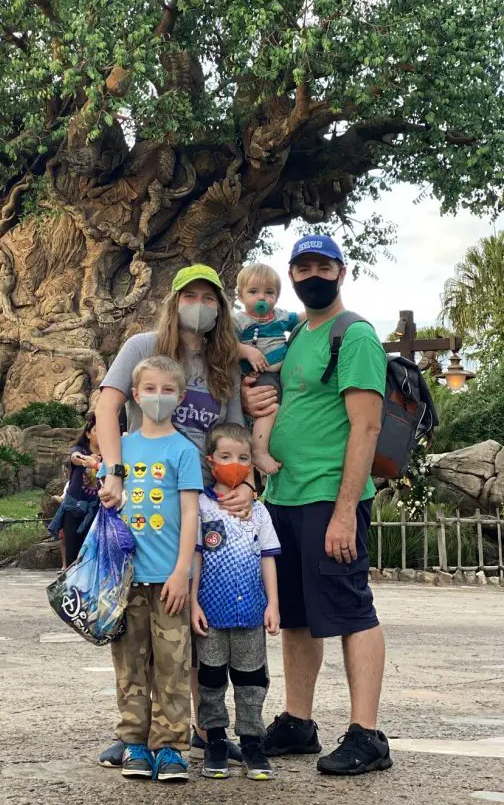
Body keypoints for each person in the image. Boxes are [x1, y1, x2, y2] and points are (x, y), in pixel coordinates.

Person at [96, 263, 253, 769]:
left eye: (211, 297)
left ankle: (193, 730)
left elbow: (234, 436)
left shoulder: (224, 362)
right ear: (174, 300)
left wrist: (245, 483)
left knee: (186, 626)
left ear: (221, 307)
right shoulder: (143, 347)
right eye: (192, 296)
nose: (200, 305)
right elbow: (107, 406)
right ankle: (135, 733)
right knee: (135, 632)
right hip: (139, 496)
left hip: (198, 501)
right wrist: (113, 472)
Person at [247, 234, 392, 777]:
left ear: (341, 272)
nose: (312, 275)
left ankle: (367, 733)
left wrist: (344, 511)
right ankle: (297, 720)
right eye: (302, 266)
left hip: (329, 495)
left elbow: (367, 425)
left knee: (352, 608)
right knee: (300, 618)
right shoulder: (296, 334)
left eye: (322, 266)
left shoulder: (351, 335)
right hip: (285, 495)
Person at [98, 355, 202, 782]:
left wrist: (182, 571)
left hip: (168, 580)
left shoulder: (184, 450)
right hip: (125, 580)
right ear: (135, 395)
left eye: (168, 390)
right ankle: (134, 741)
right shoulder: (121, 448)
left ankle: (172, 745)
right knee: (129, 664)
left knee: (173, 665)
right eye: (150, 389)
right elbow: (108, 496)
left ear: (180, 397)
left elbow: (191, 514)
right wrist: (108, 491)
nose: (158, 397)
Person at [190, 424, 280, 780]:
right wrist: (194, 602)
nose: (235, 464)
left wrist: (273, 603)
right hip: (211, 613)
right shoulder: (201, 506)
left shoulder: (258, 511)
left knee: (252, 680)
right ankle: (214, 739)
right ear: (211, 461)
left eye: (243, 457)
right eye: (226, 457)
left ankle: (252, 742)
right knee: (210, 679)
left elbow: (268, 557)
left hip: (251, 614)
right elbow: (195, 557)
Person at [233, 262, 304, 473]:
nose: (262, 298)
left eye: (269, 293)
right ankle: (259, 451)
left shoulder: (280, 317)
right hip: (258, 374)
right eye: (253, 292)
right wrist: (247, 352)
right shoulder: (239, 321)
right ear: (240, 297)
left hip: (280, 373)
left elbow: (300, 318)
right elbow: (227, 345)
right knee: (269, 409)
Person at [60, 413, 101, 566]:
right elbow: (74, 457)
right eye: (97, 430)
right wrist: (88, 461)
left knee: (92, 556)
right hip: (74, 509)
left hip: (96, 512)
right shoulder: (79, 450)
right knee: (72, 555)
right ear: (88, 434)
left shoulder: (110, 455)